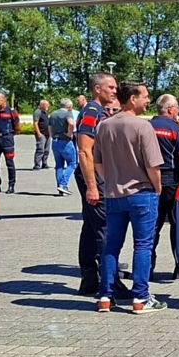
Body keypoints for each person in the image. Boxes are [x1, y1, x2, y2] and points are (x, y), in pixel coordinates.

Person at [92, 81, 166, 314]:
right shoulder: (143, 127)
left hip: (114, 195)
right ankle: (140, 298)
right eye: (144, 96)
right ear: (132, 98)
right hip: (141, 193)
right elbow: (153, 165)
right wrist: (158, 187)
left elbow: (98, 162)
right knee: (143, 245)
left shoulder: (104, 126)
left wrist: (110, 182)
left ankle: (105, 296)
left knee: (111, 246)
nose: (148, 100)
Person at [75, 73, 119, 296]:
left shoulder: (98, 112)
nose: (114, 91)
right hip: (92, 175)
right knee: (105, 228)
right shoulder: (92, 112)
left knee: (91, 227)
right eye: (110, 87)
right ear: (97, 89)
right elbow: (84, 150)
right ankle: (110, 283)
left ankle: (90, 279)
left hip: (93, 175)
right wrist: (92, 185)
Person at [150, 95, 179, 279]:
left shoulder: (146, 126)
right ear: (170, 109)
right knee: (178, 223)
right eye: (177, 108)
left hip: (149, 181)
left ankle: (147, 266)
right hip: (172, 181)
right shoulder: (176, 129)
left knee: (152, 225)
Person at [0, 91, 20, 194]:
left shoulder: (11, 111)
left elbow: (17, 126)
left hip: (7, 139)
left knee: (9, 163)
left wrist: (11, 135)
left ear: (4, 99)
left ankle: (11, 185)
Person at [48, 98, 77, 195]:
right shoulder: (68, 113)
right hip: (65, 141)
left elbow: (49, 127)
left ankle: (60, 186)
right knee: (72, 163)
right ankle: (63, 184)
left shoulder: (53, 114)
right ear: (68, 106)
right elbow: (71, 123)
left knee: (59, 165)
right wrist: (70, 134)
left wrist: (52, 135)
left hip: (55, 141)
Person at [32, 100, 51, 170]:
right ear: (42, 105)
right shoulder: (37, 112)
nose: (48, 106)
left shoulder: (45, 112)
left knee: (47, 150)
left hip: (47, 134)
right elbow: (35, 123)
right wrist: (38, 133)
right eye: (47, 105)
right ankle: (37, 164)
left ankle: (44, 163)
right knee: (40, 149)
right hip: (41, 133)